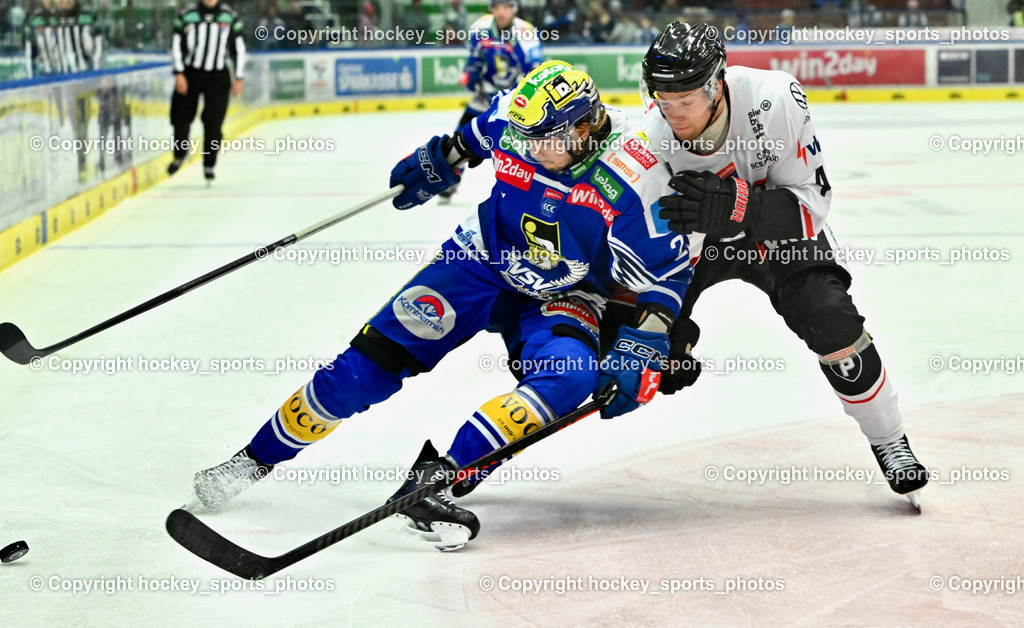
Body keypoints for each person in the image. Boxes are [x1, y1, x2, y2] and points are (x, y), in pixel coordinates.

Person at [189, 61, 700, 550]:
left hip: (563, 294)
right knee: (363, 371)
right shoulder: (519, 122)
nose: (530, 147)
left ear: (585, 128)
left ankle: (437, 481)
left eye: (545, 140)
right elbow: (475, 137)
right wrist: (441, 158)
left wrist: (644, 344)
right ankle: (249, 462)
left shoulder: (637, 172)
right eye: (526, 137)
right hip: (476, 262)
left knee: (570, 377)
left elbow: (668, 272)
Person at [633, 22, 929, 507]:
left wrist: (739, 207)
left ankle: (889, 438)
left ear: (715, 85)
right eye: (664, 101)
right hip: (695, 246)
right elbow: (651, 245)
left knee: (833, 324)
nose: (674, 114)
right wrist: (665, 326)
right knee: (642, 337)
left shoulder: (775, 100)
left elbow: (812, 205)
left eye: (685, 101)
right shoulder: (648, 137)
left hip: (774, 235)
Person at [438, 0, 542, 201]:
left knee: (524, 144)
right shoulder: (481, 27)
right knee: (461, 134)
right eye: (497, 7)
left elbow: (534, 70)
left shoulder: (525, 33)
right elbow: (475, 58)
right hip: (486, 94)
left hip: (516, 99)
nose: (501, 12)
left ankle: (533, 188)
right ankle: (451, 180)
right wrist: (471, 74)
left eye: (506, 7)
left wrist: (523, 98)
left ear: (514, 9)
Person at [167, 0, 246, 182]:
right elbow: (175, 45)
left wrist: (239, 77)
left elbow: (239, 49)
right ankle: (180, 154)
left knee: (213, 121)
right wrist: (179, 72)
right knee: (181, 117)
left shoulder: (229, 16)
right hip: (190, 73)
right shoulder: (187, 15)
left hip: (218, 75)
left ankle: (209, 163)